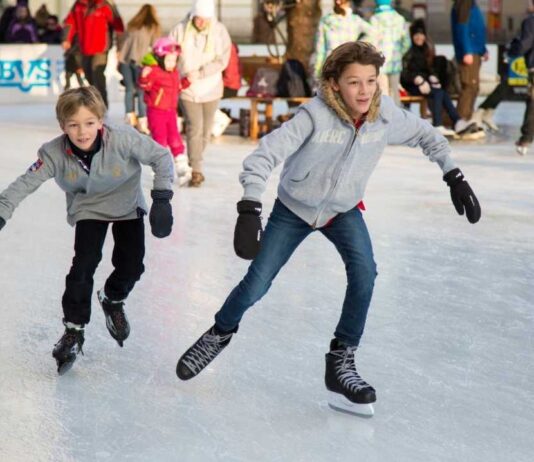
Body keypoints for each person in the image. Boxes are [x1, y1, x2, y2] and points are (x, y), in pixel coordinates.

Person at [175, 41, 481, 417]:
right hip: (294, 209)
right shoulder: (314, 115)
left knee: (365, 273)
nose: (365, 90)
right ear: (335, 83)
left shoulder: (383, 115)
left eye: (370, 81)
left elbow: (427, 136)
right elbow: (263, 155)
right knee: (257, 283)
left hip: (343, 210)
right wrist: (250, 207)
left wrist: (454, 175)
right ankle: (220, 332)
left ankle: (341, 360)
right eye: (354, 82)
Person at [0, 86, 174, 375]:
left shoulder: (123, 138)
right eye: (74, 125)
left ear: (101, 121)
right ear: (62, 126)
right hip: (88, 208)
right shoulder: (53, 152)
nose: (82, 132)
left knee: (132, 266)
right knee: (83, 266)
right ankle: (73, 328)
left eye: (89, 123)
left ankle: (113, 298)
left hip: (127, 204)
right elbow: (25, 182)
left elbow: (161, 157)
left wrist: (162, 197)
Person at [169, 0, 231, 187]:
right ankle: (196, 170)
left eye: (205, 19)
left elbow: (223, 60)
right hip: (187, 87)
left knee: (205, 131)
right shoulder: (180, 29)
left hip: (211, 87)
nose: (201, 22)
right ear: (192, 15)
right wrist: (178, 72)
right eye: (198, 18)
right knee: (194, 128)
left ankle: (193, 158)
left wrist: (202, 72)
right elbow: (168, 51)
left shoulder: (219, 31)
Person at [401, 19, 477, 138]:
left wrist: (432, 77)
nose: (419, 37)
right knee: (437, 93)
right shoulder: (409, 52)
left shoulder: (425, 49)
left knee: (442, 92)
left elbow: (427, 69)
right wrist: (418, 80)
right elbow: (405, 73)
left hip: (424, 83)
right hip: (411, 85)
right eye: (416, 34)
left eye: (421, 34)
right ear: (412, 36)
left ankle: (457, 122)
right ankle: (437, 125)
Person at [139, 37, 192, 186]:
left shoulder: (174, 73)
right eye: (168, 60)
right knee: (160, 140)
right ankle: (160, 170)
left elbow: (177, 87)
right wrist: (144, 76)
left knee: (175, 138)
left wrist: (187, 81)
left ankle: (182, 167)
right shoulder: (154, 71)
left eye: (174, 60)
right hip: (156, 112)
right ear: (160, 58)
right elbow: (145, 86)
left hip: (170, 112)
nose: (172, 64)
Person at [62, 0, 125, 107]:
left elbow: (118, 26)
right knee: (88, 74)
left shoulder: (105, 5)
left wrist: (120, 47)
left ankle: (102, 104)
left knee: (97, 73)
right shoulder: (78, 5)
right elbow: (70, 21)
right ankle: (95, 100)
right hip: (84, 47)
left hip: (101, 47)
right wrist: (66, 38)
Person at [117, 3, 160, 134]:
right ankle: (142, 120)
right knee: (142, 92)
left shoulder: (132, 26)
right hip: (141, 63)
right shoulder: (152, 27)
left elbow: (122, 44)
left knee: (129, 90)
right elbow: (155, 47)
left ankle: (130, 118)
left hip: (125, 60)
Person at [312, 0, 374, 82]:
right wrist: (357, 45)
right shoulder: (355, 20)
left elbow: (320, 49)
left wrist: (317, 71)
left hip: (331, 63)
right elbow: (374, 33)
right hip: (349, 60)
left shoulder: (326, 21)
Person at [450, 0, 488, 129]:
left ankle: (467, 117)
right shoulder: (463, 4)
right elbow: (462, 28)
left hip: (475, 51)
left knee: (474, 87)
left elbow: (477, 29)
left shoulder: (471, 4)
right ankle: (461, 121)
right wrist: (466, 51)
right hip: (469, 52)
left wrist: (483, 49)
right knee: (469, 85)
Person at [369, 0, 410, 106]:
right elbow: (407, 42)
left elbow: (371, 42)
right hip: (395, 61)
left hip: (379, 62)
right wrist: (399, 54)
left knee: (382, 92)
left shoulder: (374, 19)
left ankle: (383, 120)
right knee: (394, 92)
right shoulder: (400, 19)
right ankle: (395, 120)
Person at [508, 0, 534, 156]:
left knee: (532, 103)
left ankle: (526, 138)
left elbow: (525, 43)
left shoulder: (530, 21)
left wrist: (513, 49)